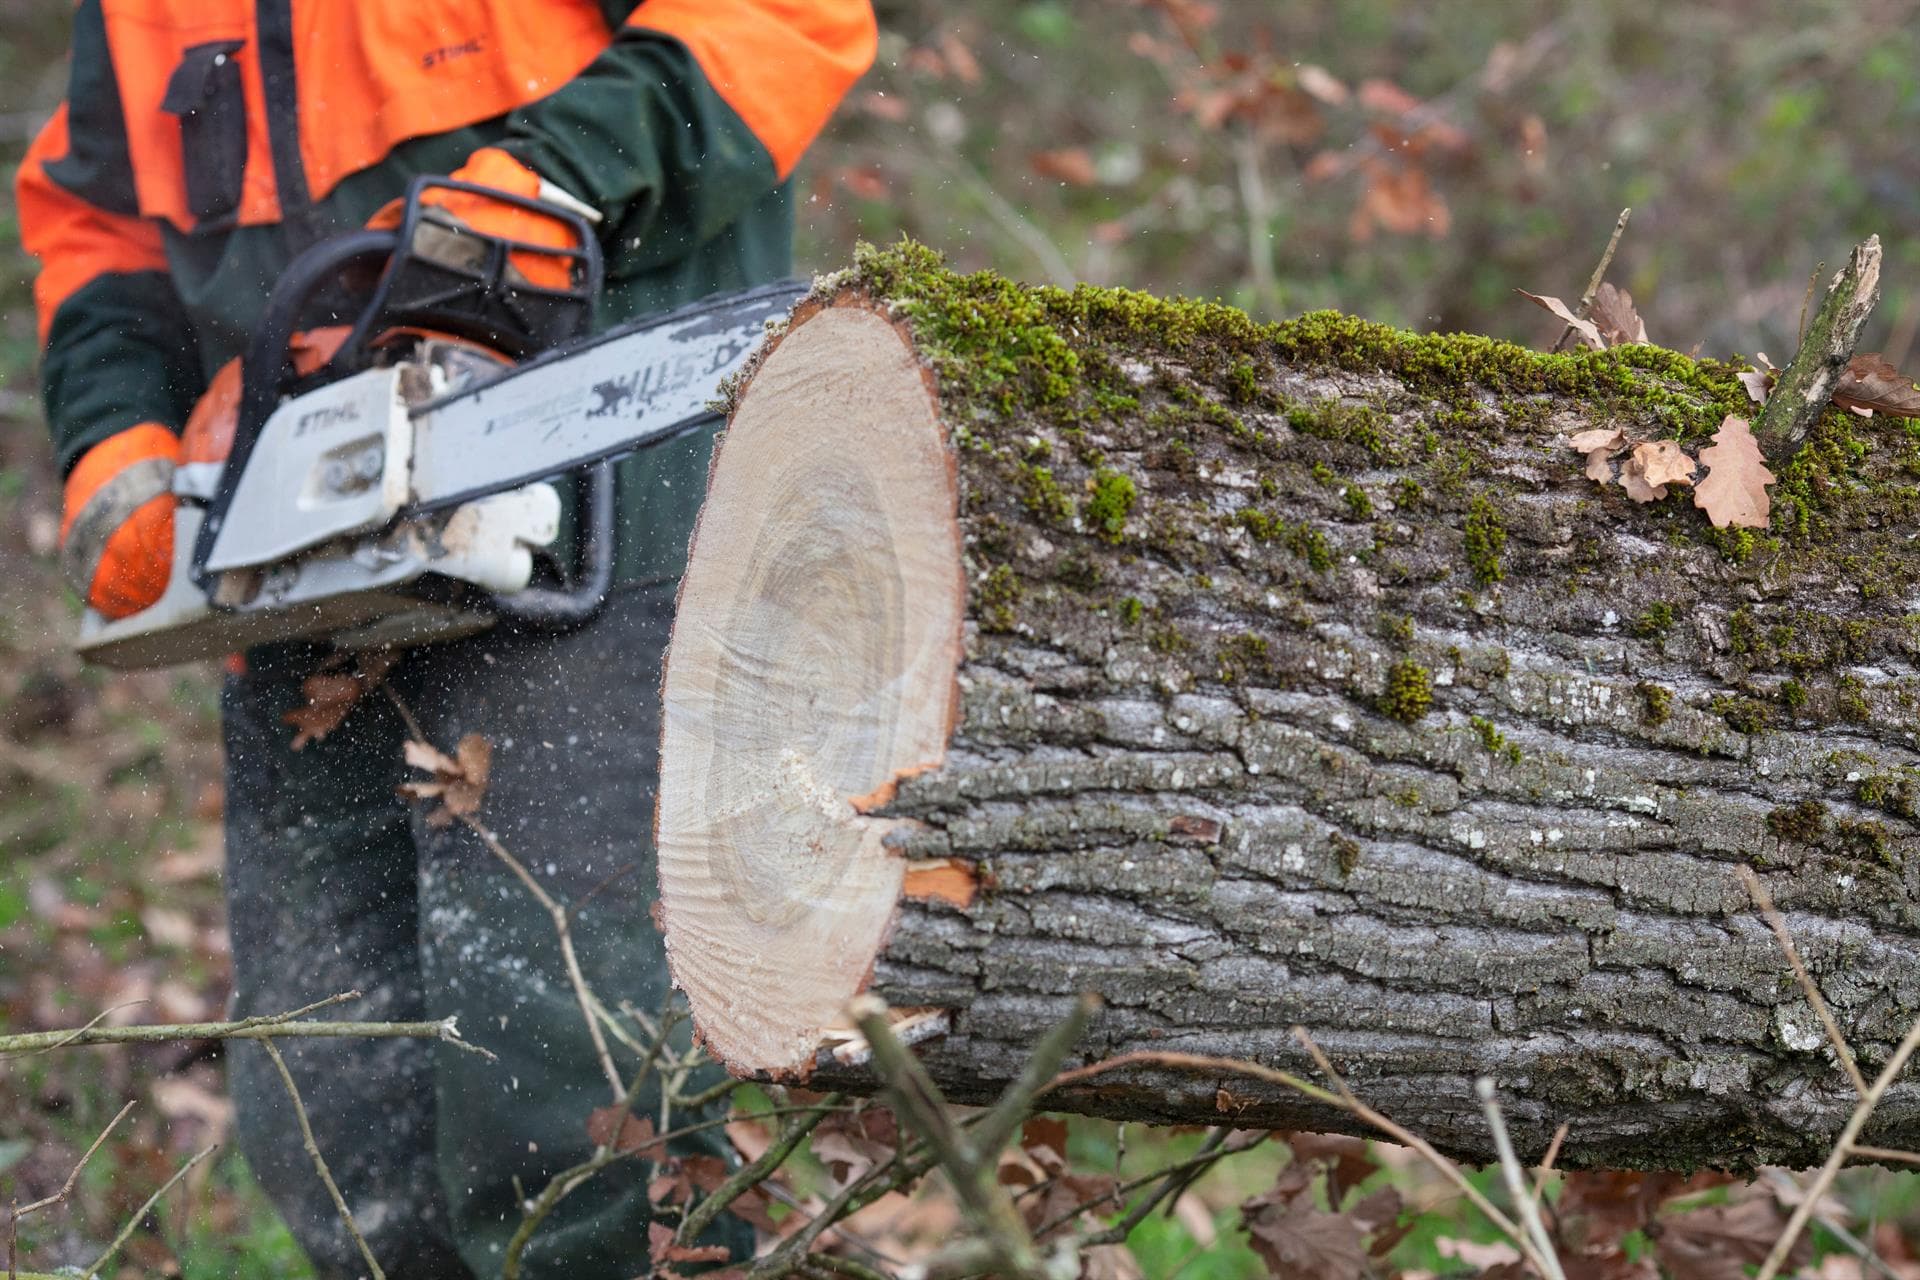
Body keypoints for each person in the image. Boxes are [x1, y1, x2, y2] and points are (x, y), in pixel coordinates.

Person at [16, 3, 876, 1275]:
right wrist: (118, 435)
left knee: (575, 1101)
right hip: (298, 567)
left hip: (589, 524)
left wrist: (551, 182)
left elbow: (782, 20)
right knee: (338, 1114)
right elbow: (96, 218)